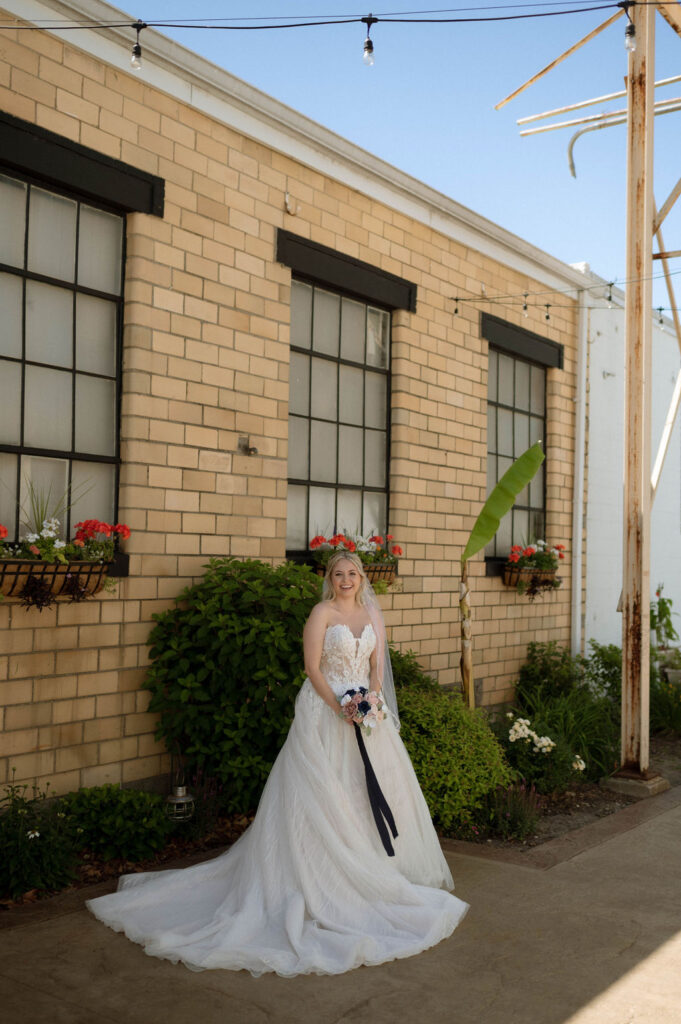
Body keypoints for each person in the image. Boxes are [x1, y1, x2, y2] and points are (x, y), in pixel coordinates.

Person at [87, 551, 469, 975]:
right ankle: (318, 878)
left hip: (365, 712)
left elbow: (377, 665)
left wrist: (370, 700)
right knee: (324, 795)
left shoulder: (372, 613)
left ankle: (373, 871)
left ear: (362, 578)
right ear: (330, 578)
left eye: (352, 573)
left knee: (367, 791)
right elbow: (312, 669)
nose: (346, 579)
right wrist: (341, 706)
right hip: (325, 712)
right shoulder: (321, 612)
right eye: (338, 573)